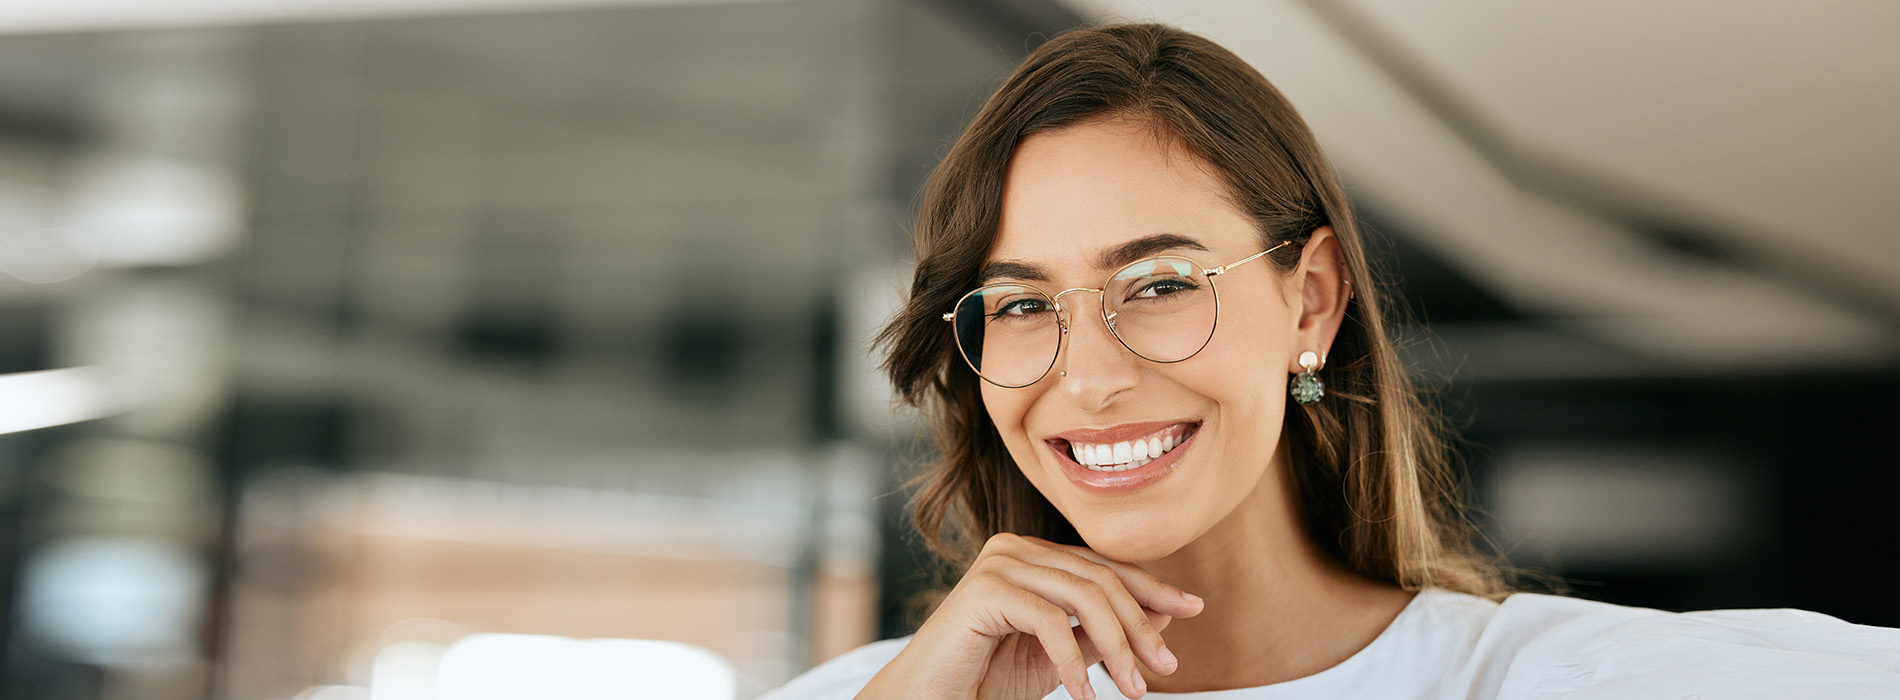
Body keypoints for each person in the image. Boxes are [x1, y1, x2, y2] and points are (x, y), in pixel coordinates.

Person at [763, 22, 1900, 700]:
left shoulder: (1529, 679)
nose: (1088, 374)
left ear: (1309, 299)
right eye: (1018, 305)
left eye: (1156, 286)